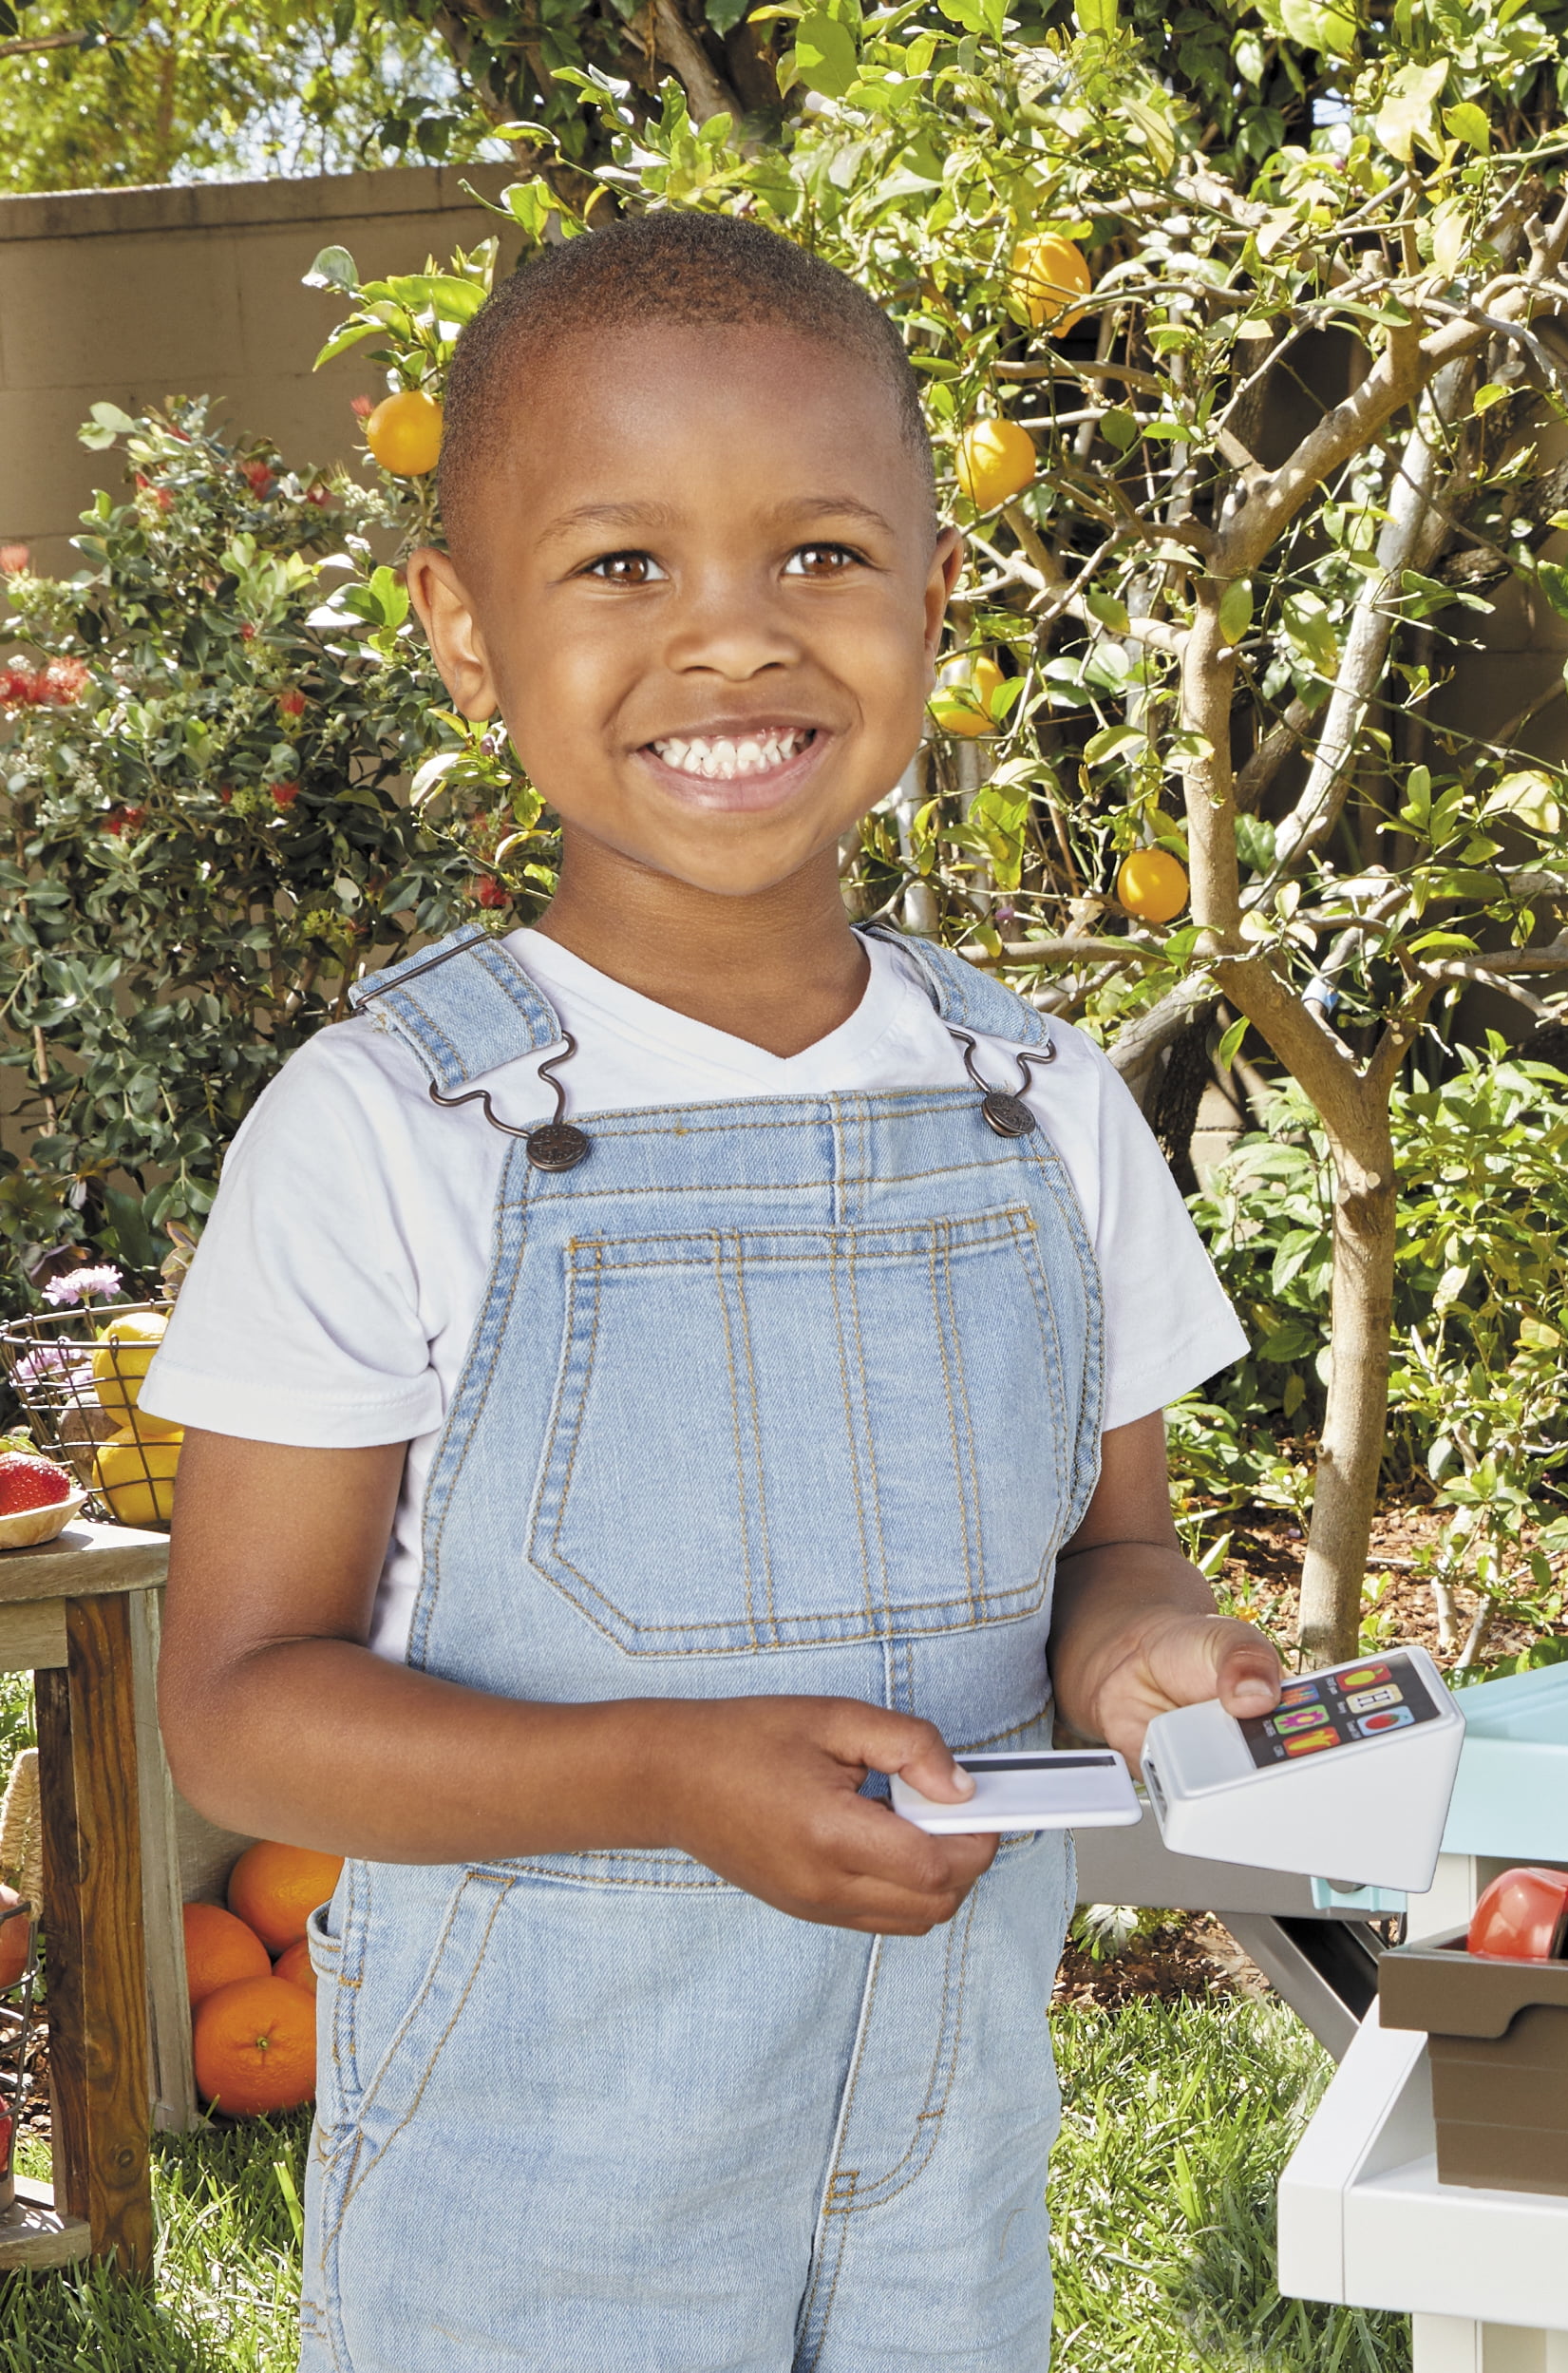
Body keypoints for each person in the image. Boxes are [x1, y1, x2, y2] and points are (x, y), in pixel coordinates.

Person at [145, 211, 1279, 2370]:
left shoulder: (1037, 1100)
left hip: (942, 2168)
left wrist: (1152, 1664)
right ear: (464, 634)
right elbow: (238, 1699)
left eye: (820, 556)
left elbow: (1114, 1551)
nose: (733, 641)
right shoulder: (388, 1126)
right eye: (620, 566)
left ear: (937, 602)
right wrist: (664, 1771)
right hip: (533, 2207)